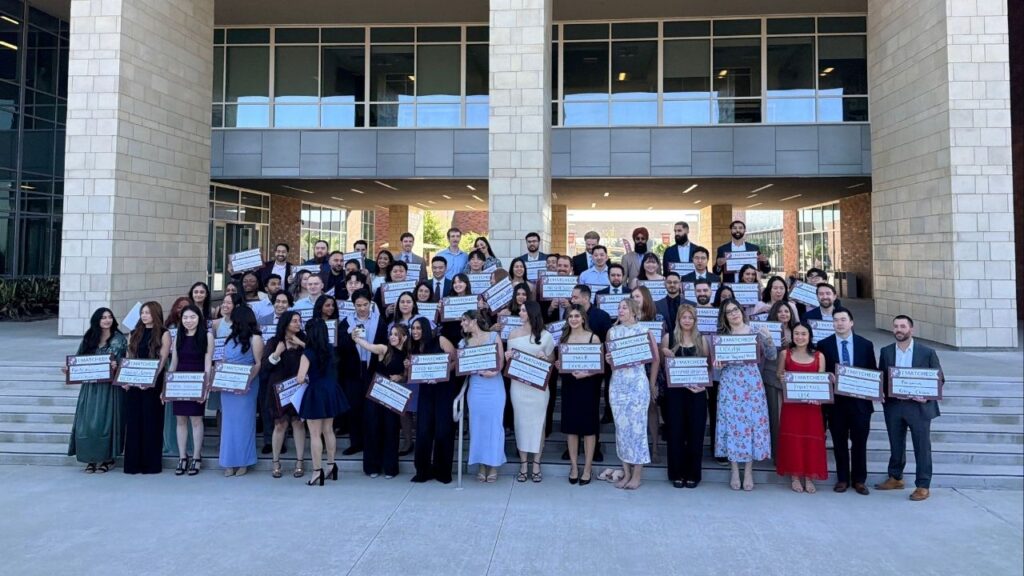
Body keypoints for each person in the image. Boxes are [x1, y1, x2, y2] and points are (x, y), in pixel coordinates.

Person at [876, 315, 942, 501]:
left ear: (911, 329)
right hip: (894, 405)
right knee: (895, 444)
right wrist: (878, 391)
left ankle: (923, 485)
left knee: (922, 447)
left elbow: (939, 379)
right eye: (896, 326)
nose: (899, 329)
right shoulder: (886, 351)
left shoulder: (926, 352)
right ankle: (895, 477)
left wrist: (926, 396)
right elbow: (882, 376)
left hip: (919, 407)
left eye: (903, 326)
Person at [713, 298, 777, 491]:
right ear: (724, 317)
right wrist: (718, 365)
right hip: (730, 384)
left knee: (750, 425)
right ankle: (734, 469)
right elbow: (716, 369)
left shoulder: (755, 332)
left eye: (736, 310)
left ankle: (748, 470)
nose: (733, 314)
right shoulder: (721, 337)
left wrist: (768, 338)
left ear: (742, 311)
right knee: (732, 425)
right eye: (728, 312)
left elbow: (772, 355)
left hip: (751, 383)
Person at [818, 307, 877, 495]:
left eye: (843, 319)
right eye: (835, 320)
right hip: (836, 405)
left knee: (860, 443)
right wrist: (827, 376)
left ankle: (859, 480)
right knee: (839, 442)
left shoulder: (865, 345)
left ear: (851, 322)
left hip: (860, 404)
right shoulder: (823, 345)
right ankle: (842, 478)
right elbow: (821, 372)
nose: (839, 323)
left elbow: (873, 372)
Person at [66, 308, 129, 473]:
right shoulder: (89, 337)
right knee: (87, 424)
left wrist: (117, 365)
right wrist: (69, 369)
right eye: (103, 318)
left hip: (110, 389)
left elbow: (125, 361)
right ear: (97, 320)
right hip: (90, 387)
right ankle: (90, 458)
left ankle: (108, 458)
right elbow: (79, 358)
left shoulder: (119, 339)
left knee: (106, 422)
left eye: (109, 317)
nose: (107, 320)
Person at [606, 299, 659, 489]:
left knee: (637, 430)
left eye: (624, 307)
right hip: (618, 384)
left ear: (634, 310)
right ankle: (626, 473)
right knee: (621, 430)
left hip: (637, 384)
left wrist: (652, 384)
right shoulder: (612, 332)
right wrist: (609, 359)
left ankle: (637, 474)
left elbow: (655, 358)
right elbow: (612, 363)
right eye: (618, 307)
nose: (620, 310)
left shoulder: (644, 331)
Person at [660, 305, 710, 488]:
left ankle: (693, 474)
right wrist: (665, 354)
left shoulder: (702, 340)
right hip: (674, 394)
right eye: (684, 317)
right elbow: (661, 366)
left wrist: (702, 386)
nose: (687, 320)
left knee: (695, 433)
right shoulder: (668, 338)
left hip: (696, 393)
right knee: (675, 433)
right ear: (678, 320)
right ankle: (676, 473)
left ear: (695, 320)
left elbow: (707, 368)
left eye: (690, 317)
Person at [775, 322, 828, 493]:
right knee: (793, 440)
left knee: (811, 440)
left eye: (803, 334)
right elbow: (779, 373)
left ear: (810, 336)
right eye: (796, 333)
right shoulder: (785, 353)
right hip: (792, 406)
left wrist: (819, 395)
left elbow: (821, 381)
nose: (799, 337)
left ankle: (809, 476)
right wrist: (782, 378)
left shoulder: (819, 355)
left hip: (811, 407)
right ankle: (795, 476)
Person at [506, 300, 556, 483]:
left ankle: (536, 463)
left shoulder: (546, 336)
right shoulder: (512, 334)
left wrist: (545, 357)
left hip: (538, 389)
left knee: (538, 424)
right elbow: (508, 362)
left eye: (523, 310)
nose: (520, 313)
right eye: (519, 310)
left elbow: (552, 359)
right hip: (518, 387)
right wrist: (507, 357)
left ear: (532, 313)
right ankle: (523, 463)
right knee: (520, 423)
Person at [297, 315, 350, 486]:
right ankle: (331, 466)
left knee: (314, 434)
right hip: (331, 391)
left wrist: (306, 379)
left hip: (316, 392)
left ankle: (316, 471)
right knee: (329, 430)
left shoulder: (308, 353)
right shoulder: (330, 349)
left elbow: (300, 378)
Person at [119, 301, 171, 475]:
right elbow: (129, 356)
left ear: (155, 314)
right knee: (133, 422)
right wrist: (125, 379)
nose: (144, 316)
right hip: (134, 383)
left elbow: (163, 359)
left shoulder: (164, 333)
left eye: (148, 313)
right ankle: (133, 464)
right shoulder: (134, 333)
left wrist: (151, 379)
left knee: (151, 421)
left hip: (153, 383)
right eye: (142, 313)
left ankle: (151, 464)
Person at [353, 323, 407, 479]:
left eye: (397, 334)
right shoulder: (384, 349)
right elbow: (368, 346)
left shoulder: (407, 354)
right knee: (373, 428)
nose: (393, 337)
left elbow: (407, 375)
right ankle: (372, 467)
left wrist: (401, 376)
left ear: (404, 337)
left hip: (393, 397)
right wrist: (356, 338)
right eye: (391, 333)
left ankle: (390, 468)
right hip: (376, 395)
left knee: (391, 430)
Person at [337, 289, 386, 456]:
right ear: (353, 305)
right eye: (358, 305)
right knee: (354, 407)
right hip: (353, 370)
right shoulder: (347, 321)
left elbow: (384, 343)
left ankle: (373, 442)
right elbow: (340, 346)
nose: (362, 308)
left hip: (373, 368)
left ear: (371, 303)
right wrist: (350, 338)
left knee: (372, 409)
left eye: (365, 304)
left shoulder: (380, 320)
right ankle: (356, 442)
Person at [407, 318, 457, 483]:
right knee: (423, 431)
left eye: (419, 328)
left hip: (443, 389)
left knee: (443, 430)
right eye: (413, 328)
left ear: (426, 329)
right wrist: (408, 366)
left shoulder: (440, 340)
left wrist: (442, 373)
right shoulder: (413, 346)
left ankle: (442, 471)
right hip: (426, 391)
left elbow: (455, 360)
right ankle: (423, 471)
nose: (415, 331)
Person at [460, 310, 506, 482]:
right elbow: (462, 365)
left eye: (464, 320)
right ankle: (480, 464)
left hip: (494, 386)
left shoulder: (494, 336)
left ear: (474, 321)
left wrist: (494, 372)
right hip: (476, 386)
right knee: (477, 426)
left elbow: (501, 361)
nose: (462, 324)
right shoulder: (464, 342)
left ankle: (493, 465)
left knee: (495, 425)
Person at [166, 304, 211, 476]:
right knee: (181, 421)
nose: (188, 321)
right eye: (185, 318)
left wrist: (205, 388)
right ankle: (182, 457)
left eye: (192, 317)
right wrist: (168, 387)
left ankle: (197, 456)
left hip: (197, 382)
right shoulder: (179, 336)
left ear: (199, 318)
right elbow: (174, 362)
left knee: (196, 421)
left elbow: (208, 365)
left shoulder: (207, 336)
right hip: (180, 381)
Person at [219, 305, 264, 477]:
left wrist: (245, 383)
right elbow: (223, 360)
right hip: (228, 387)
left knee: (244, 424)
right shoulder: (229, 338)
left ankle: (244, 461)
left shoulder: (255, 338)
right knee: (228, 424)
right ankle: (228, 462)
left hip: (247, 385)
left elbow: (258, 363)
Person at [559, 304, 602, 485]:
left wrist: (587, 373)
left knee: (589, 429)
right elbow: (561, 363)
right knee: (572, 428)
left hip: (588, 386)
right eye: (571, 316)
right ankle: (574, 466)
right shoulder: (564, 338)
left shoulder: (593, 338)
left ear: (583, 318)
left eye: (577, 316)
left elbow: (601, 366)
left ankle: (587, 467)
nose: (574, 319)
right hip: (570, 386)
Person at [263, 310, 308, 478]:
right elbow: (265, 367)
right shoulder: (274, 341)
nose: (298, 323)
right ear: (286, 323)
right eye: (294, 321)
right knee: (280, 424)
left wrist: (302, 344)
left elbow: (317, 355)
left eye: (299, 320)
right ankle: (276, 462)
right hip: (278, 390)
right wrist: (277, 352)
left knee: (298, 423)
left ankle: (299, 461)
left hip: (298, 388)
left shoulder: (304, 340)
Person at [762, 300, 798, 457]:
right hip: (772, 376)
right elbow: (765, 354)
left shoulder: (797, 330)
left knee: (792, 420)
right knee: (776, 418)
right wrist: (770, 341)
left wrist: (792, 344)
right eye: (780, 311)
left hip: (793, 379)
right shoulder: (766, 330)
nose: (784, 314)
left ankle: (791, 453)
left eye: (787, 311)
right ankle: (778, 454)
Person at [162, 297, 194, 458]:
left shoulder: (195, 330)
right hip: (171, 367)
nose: (182, 310)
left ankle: (191, 448)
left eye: (186, 308)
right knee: (173, 413)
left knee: (192, 416)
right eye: (179, 307)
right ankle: (172, 443)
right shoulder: (167, 327)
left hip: (191, 371)